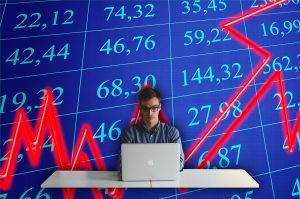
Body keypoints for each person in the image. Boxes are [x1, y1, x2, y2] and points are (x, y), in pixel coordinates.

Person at [121, 87, 184, 171]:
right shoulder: (130, 133)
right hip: (138, 180)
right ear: (140, 108)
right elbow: (123, 165)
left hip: (165, 180)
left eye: (154, 108)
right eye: (145, 108)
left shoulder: (172, 133)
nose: (150, 113)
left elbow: (179, 163)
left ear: (160, 107)